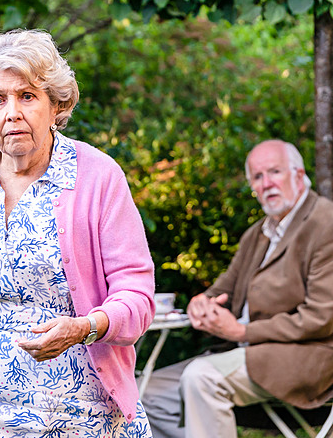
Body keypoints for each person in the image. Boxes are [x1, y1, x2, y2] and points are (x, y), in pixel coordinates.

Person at [0, 29, 156, 436]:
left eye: (27, 96)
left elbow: (136, 295)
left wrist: (86, 327)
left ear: (56, 105)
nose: (12, 112)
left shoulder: (97, 176)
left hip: (76, 413)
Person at [142, 139, 333, 438]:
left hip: (307, 359)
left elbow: (322, 317)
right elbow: (222, 291)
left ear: (298, 175)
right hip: (244, 354)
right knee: (145, 394)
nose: (266, 183)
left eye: (275, 172)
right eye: (257, 177)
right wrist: (201, 304)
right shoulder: (257, 234)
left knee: (201, 378)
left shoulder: (325, 223)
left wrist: (242, 333)